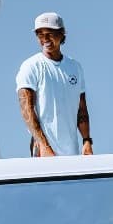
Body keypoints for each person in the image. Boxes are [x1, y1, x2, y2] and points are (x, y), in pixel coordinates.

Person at [16, 12, 93, 158]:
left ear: (62, 33)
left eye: (50, 33)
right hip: (44, 152)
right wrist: (44, 146)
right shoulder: (31, 66)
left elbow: (81, 108)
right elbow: (26, 109)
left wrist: (87, 140)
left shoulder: (75, 67)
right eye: (40, 34)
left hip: (72, 151)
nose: (45, 39)